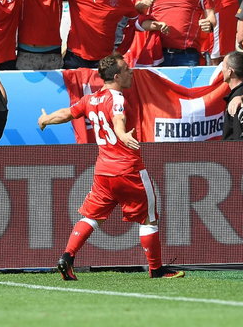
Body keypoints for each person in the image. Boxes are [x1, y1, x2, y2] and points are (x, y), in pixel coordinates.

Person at [38, 54, 184, 280]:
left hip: (103, 171)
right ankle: (156, 269)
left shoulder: (91, 99)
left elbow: (67, 114)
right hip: (127, 169)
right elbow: (118, 119)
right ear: (116, 76)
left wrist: (46, 120)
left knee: (92, 217)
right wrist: (123, 135)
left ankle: (67, 256)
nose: (131, 72)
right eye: (126, 69)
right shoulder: (116, 98)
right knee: (148, 218)